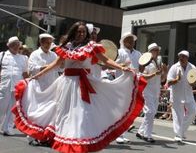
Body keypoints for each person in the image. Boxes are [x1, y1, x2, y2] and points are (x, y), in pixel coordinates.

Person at [11, 21, 146, 153]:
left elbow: (105, 60)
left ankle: (79, 144)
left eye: (83, 32)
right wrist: (38, 75)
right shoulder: (67, 47)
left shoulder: (91, 46)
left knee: (81, 116)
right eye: (78, 31)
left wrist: (121, 67)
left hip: (83, 85)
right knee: (63, 115)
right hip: (66, 85)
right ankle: (67, 144)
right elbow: (55, 65)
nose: (81, 34)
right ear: (73, 32)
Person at [27, 33, 59, 145]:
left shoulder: (54, 55)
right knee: (36, 112)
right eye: (47, 42)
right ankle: (31, 136)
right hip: (38, 88)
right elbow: (31, 69)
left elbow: (60, 67)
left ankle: (44, 136)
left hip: (51, 88)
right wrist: (46, 67)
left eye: (50, 43)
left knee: (48, 112)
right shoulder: (35, 54)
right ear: (41, 42)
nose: (48, 45)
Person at [136, 43, 167, 143]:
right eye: (155, 50)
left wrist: (165, 72)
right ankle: (147, 135)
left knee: (151, 113)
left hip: (156, 91)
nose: (157, 52)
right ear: (150, 52)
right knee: (150, 111)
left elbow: (162, 79)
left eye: (157, 50)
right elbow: (142, 76)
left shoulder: (159, 63)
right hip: (147, 90)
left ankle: (140, 131)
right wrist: (154, 74)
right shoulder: (145, 62)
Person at [115, 32, 142, 144]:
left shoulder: (138, 53)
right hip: (121, 84)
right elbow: (112, 64)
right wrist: (123, 66)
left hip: (133, 85)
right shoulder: (120, 52)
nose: (131, 42)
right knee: (121, 110)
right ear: (124, 41)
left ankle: (122, 134)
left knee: (128, 111)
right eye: (129, 40)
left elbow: (141, 68)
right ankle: (118, 135)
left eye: (132, 40)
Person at [167, 50, 196, 142]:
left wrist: (194, 83)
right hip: (177, 95)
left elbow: (195, 82)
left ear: (187, 58)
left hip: (188, 94)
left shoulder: (192, 67)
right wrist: (177, 79)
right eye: (180, 56)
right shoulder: (174, 67)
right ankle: (178, 134)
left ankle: (181, 131)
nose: (181, 58)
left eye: (183, 56)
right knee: (178, 116)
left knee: (193, 112)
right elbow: (169, 82)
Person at [0, 36, 28, 136]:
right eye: (14, 45)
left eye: (17, 44)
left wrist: (26, 84)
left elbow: (25, 73)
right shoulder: (2, 55)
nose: (16, 47)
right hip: (4, 84)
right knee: (1, 104)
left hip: (17, 85)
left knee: (13, 108)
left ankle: (7, 128)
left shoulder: (24, 58)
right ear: (9, 46)